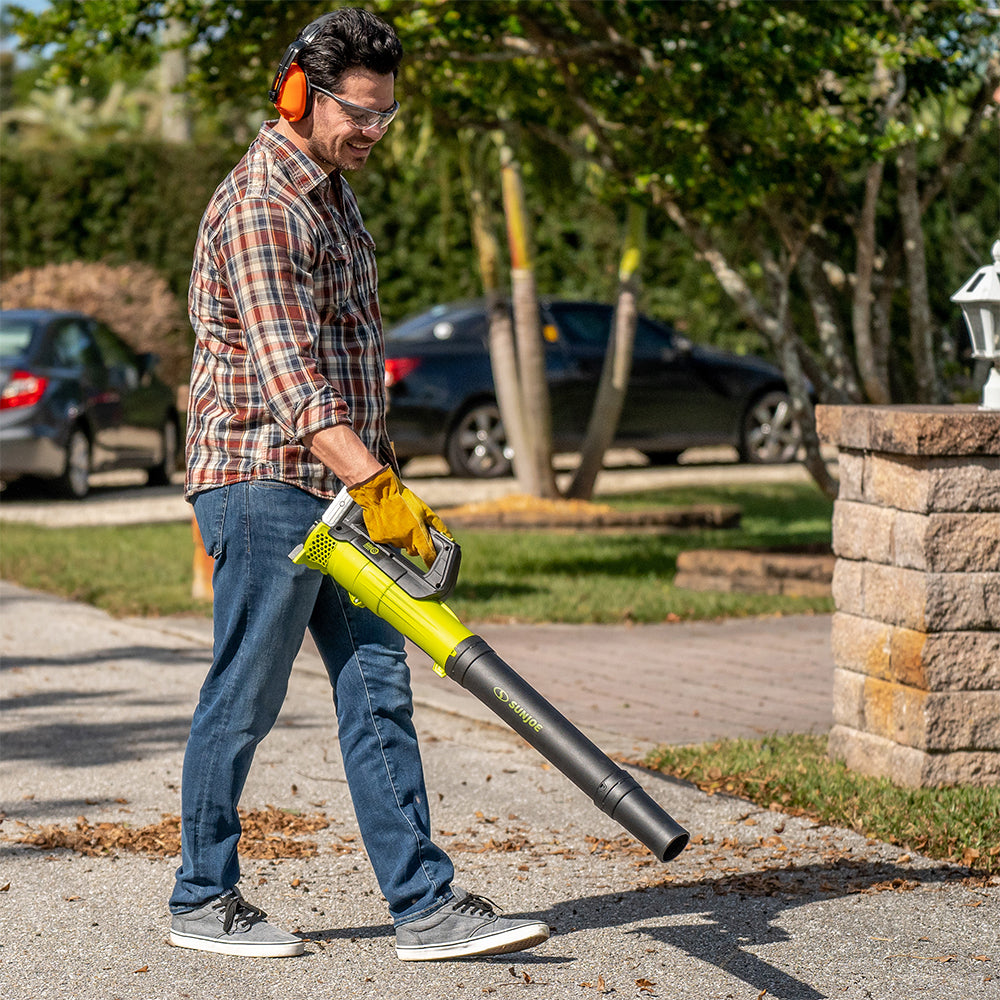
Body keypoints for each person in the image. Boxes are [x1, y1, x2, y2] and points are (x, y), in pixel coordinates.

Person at [169, 7, 550, 962]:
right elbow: (293, 376)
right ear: (297, 93)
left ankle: (424, 905)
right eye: (358, 114)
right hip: (262, 481)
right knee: (246, 693)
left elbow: (344, 365)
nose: (373, 132)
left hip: (337, 488)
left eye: (387, 116)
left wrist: (381, 487)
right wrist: (379, 484)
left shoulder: (332, 190)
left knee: (378, 687)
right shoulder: (267, 202)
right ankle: (201, 897)